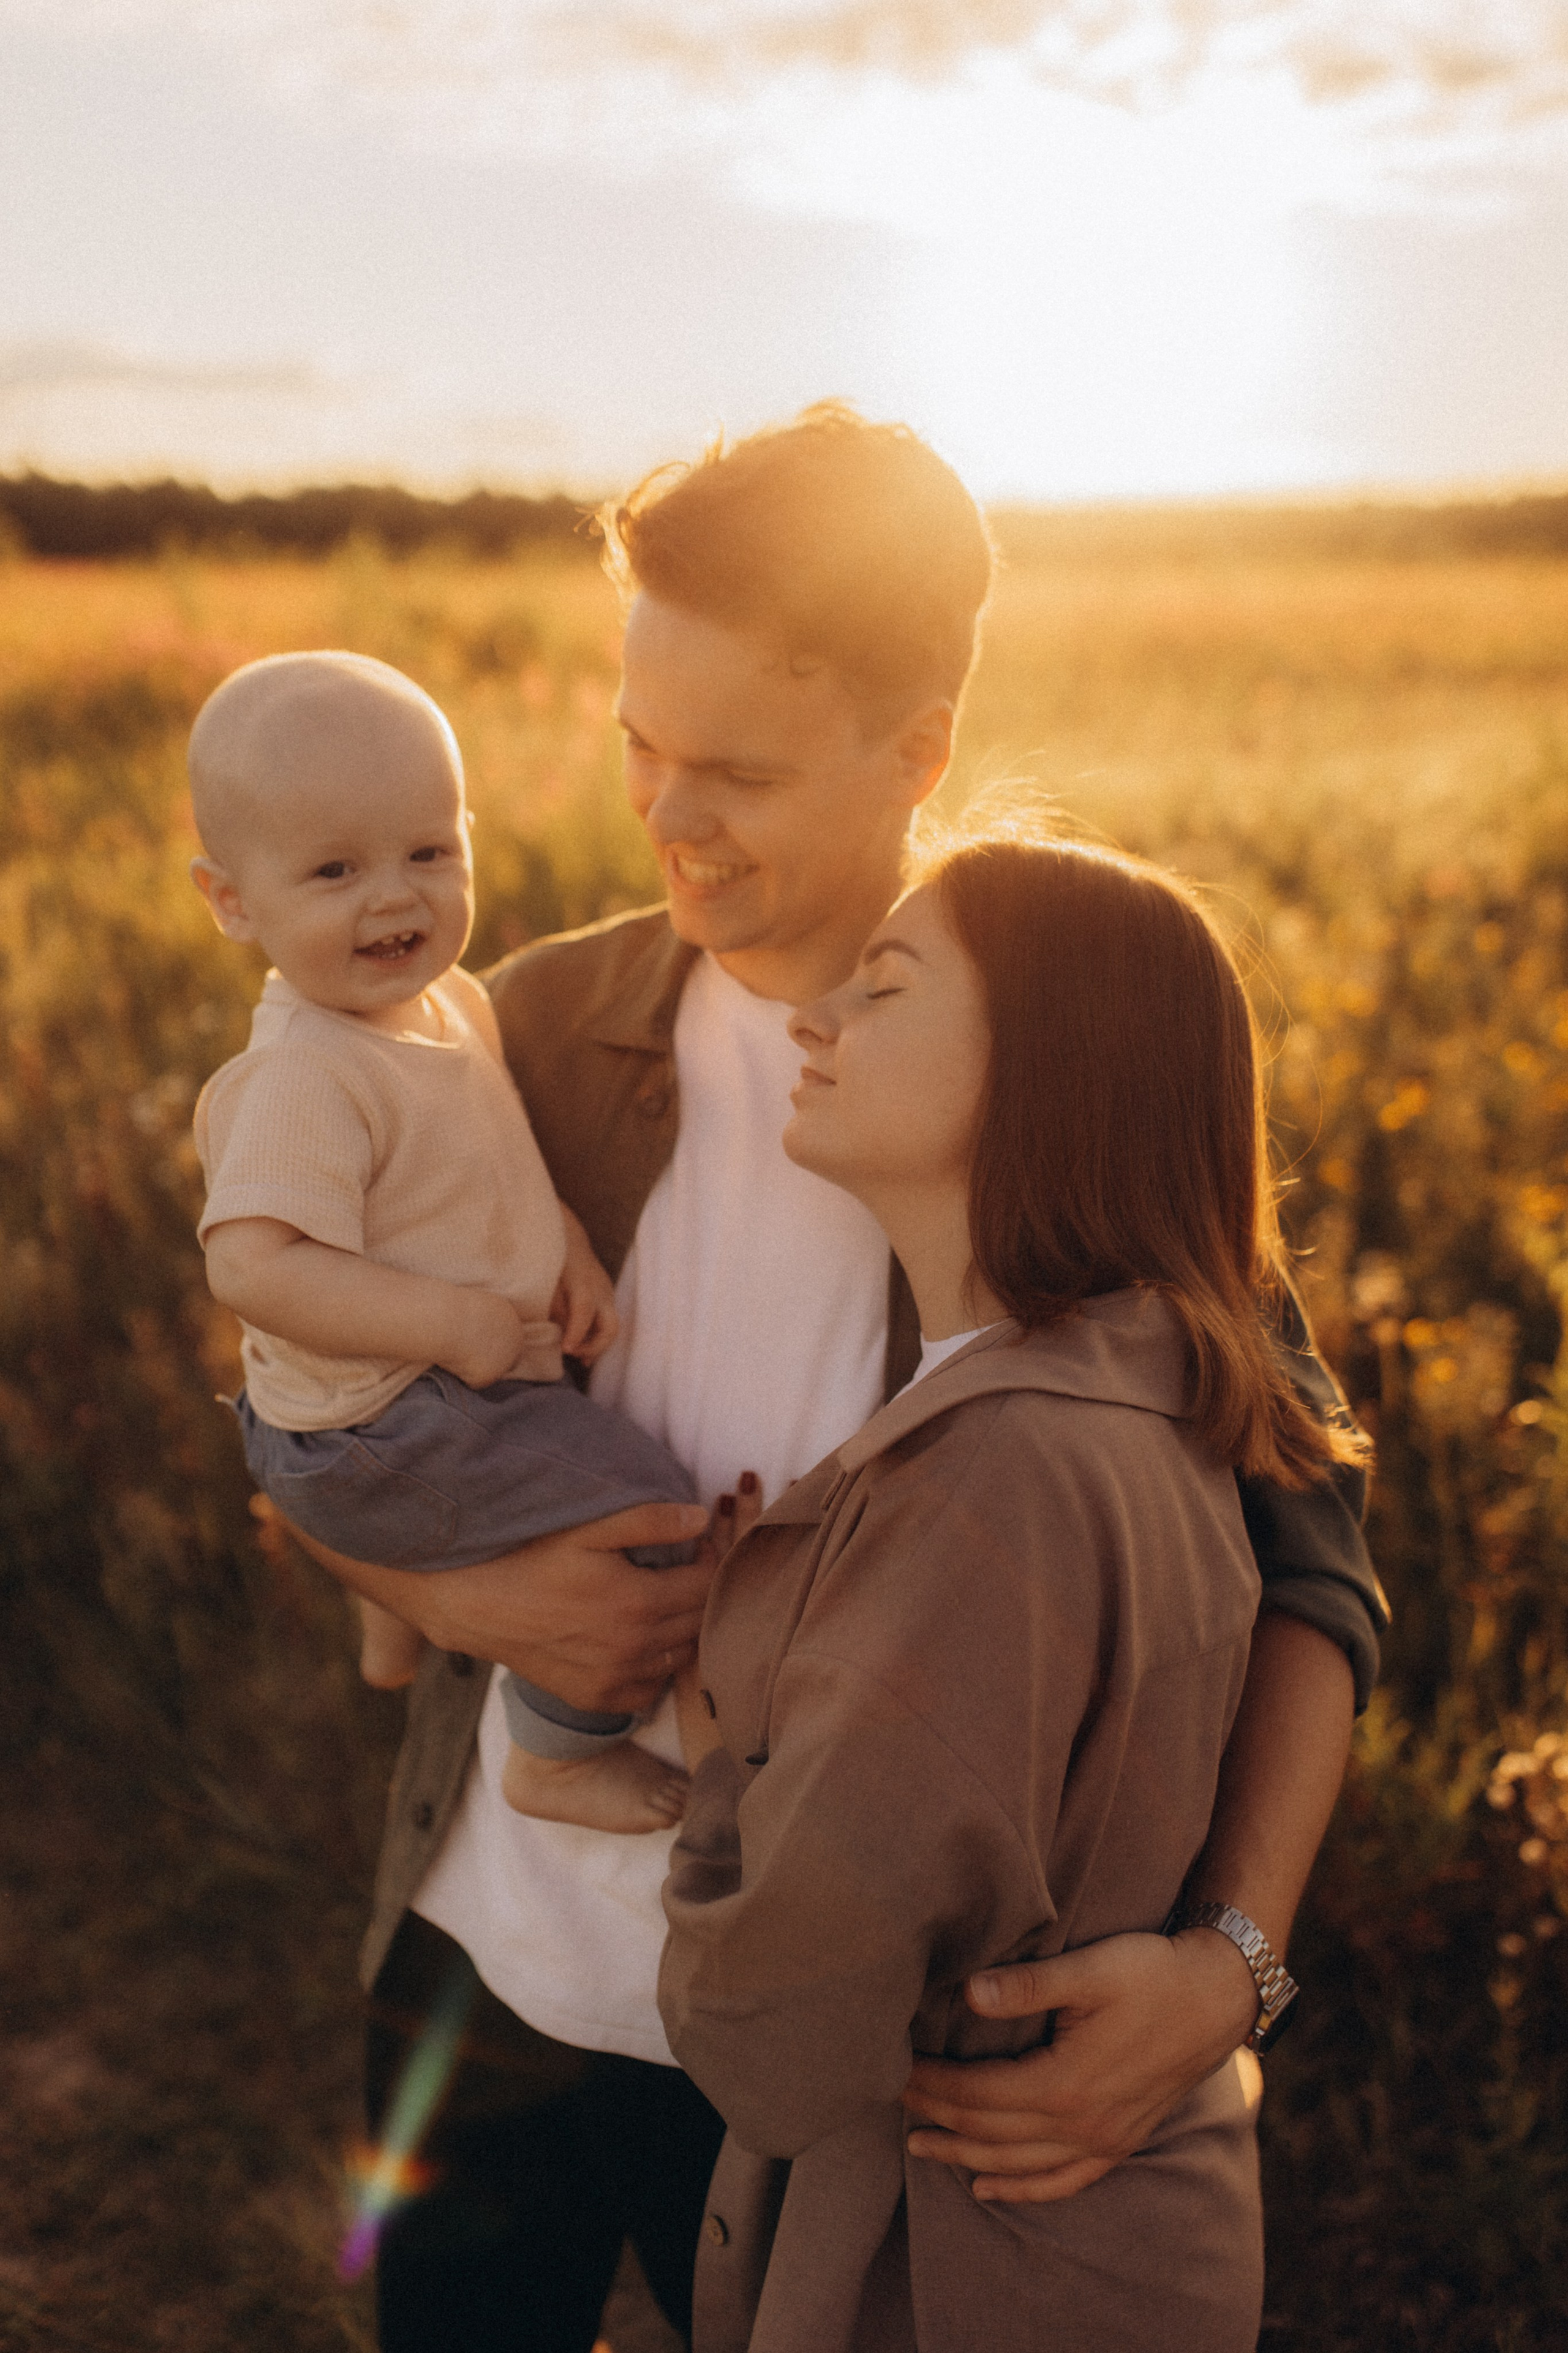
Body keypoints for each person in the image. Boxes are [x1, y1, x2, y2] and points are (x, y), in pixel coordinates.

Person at [282, 406, 1385, 2353]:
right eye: (640, 743)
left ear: (918, 752)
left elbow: (1310, 1551)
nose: (663, 813)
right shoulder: (523, 1029)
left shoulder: (1053, 1066)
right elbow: (305, 1409)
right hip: (486, 1965)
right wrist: (446, 1593)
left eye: (736, 769)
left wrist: (1234, 1964)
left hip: (843, 2067)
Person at [660, 831, 1368, 2352]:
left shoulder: (992, 1479)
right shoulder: (1159, 1400)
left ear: (1051, 1068)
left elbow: (775, 2039)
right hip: (1113, 2231)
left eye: (886, 987)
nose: (815, 1021)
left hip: (958, 2264)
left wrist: (710, 1746)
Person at [188, 650, 709, 1837]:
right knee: (646, 1507)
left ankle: (396, 1618)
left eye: (430, 851)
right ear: (231, 901)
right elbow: (253, 1268)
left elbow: (491, 1166)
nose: (396, 898)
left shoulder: (453, 1002)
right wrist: (450, 1322)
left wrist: (565, 1246)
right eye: (334, 870)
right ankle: (556, 1753)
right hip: (391, 1410)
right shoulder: (307, 1074)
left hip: (406, 1395)